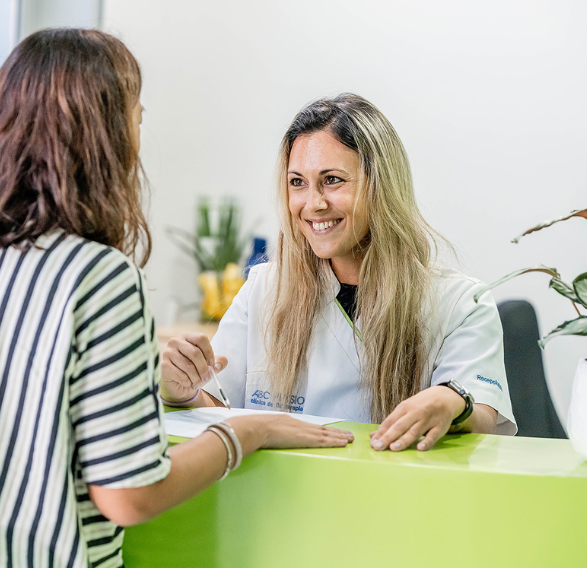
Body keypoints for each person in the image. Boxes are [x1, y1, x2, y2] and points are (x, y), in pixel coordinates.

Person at [0, 29, 353, 568]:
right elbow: (129, 495)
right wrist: (247, 431)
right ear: (106, 135)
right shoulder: (100, 277)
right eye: (137, 117)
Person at [160, 93, 517, 451]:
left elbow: (483, 413)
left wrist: (450, 401)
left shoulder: (458, 302)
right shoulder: (263, 290)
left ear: (381, 186)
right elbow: (220, 409)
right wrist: (183, 392)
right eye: (297, 182)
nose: (313, 204)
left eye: (332, 180)